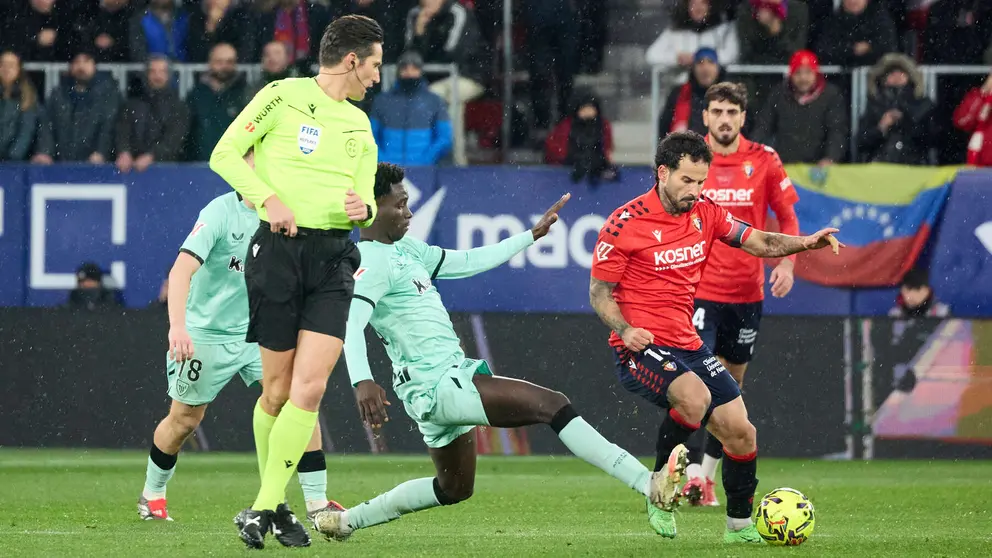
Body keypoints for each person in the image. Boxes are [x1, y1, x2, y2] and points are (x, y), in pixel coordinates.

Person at [312, 163, 681, 541]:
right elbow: (351, 323)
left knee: (454, 488)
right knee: (552, 405)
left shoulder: (407, 249)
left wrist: (530, 236)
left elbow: (467, 262)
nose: (409, 212)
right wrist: (362, 381)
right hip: (439, 385)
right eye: (400, 205)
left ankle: (345, 522)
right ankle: (646, 483)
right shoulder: (370, 261)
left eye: (408, 203)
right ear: (372, 209)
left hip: (440, 384)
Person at [588, 130, 841, 542]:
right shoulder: (624, 223)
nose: (695, 190)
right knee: (694, 398)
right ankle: (657, 489)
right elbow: (599, 292)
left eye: (701, 181)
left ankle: (739, 528)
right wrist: (625, 329)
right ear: (662, 172)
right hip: (641, 345)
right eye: (687, 181)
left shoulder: (706, 212)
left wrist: (805, 244)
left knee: (741, 431)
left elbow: (758, 240)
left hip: (687, 343)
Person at [209, 14, 384, 550]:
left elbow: (369, 206)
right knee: (278, 392)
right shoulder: (281, 95)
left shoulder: (360, 125)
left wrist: (365, 207)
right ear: (351, 61)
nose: (377, 78)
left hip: (334, 259)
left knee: (308, 389)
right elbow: (223, 154)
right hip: (278, 254)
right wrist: (268, 198)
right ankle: (278, 505)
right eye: (375, 65)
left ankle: (261, 508)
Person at [138, 191, 337, 524]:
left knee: (298, 401)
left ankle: (317, 502)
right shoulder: (220, 212)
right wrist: (178, 328)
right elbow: (180, 270)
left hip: (259, 331)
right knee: (184, 420)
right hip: (207, 334)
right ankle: (153, 493)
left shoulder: (287, 208)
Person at [681, 82, 801, 507]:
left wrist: (786, 262)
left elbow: (787, 216)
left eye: (732, 111)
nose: (725, 119)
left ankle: (706, 477)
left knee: (730, 388)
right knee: (694, 379)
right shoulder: (693, 162)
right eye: (717, 111)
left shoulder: (764, 160)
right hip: (699, 290)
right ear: (706, 117)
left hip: (746, 294)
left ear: (743, 117)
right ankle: (690, 471)